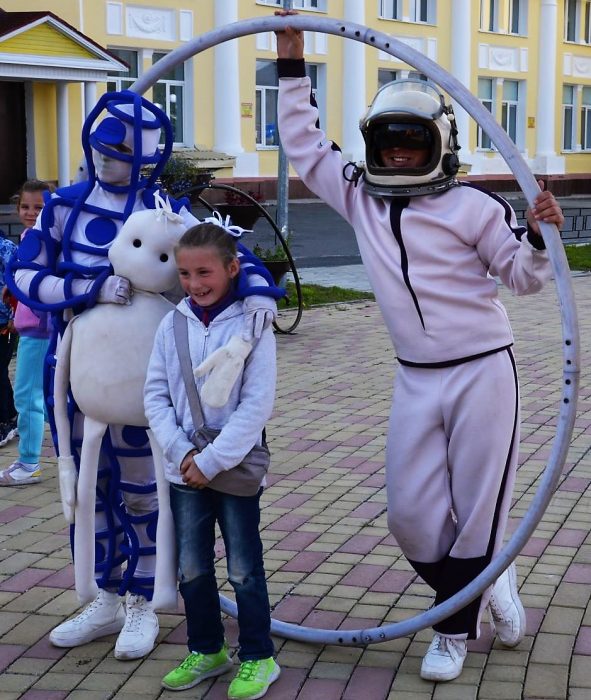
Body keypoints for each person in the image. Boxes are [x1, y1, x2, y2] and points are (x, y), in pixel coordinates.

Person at [274, 12, 565, 683]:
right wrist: (291, 58)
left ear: (440, 142)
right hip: (414, 377)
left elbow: (522, 278)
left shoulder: (474, 207)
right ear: (372, 146)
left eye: (413, 141)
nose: (400, 154)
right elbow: (304, 145)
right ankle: (488, 582)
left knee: (478, 508)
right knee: (409, 515)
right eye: (388, 143)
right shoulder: (359, 198)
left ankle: (452, 632)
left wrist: (535, 236)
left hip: (482, 372)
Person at [6, 90, 280, 661]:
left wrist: (257, 292)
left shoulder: (164, 210)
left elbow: (227, 255)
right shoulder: (63, 208)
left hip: (145, 381)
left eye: (123, 154)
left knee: (143, 490)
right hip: (79, 375)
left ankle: (142, 598)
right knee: (89, 490)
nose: (110, 162)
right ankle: (103, 594)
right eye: (105, 151)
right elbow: (25, 273)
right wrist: (87, 289)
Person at [144, 222, 280, 700]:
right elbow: (155, 395)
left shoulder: (253, 324)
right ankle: (207, 649)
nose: (194, 283)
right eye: (185, 274)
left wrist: (213, 460)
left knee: (243, 567)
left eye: (204, 272)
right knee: (192, 568)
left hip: (233, 465)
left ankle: (259, 656)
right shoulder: (172, 323)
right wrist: (182, 452)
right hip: (184, 468)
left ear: (232, 269)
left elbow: (257, 404)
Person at [0, 180, 53, 485]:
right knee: (44, 398)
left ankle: (29, 463)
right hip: (35, 326)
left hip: (39, 329)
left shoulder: (43, 239)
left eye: (39, 207)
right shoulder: (29, 237)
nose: (31, 213)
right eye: (25, 206)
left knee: (27, 396)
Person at [0, 229, 17, 449]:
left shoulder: (6, 248)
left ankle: (5, 421)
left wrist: (15, 314)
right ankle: (12, 415)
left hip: (5, 322)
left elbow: (16, 282)